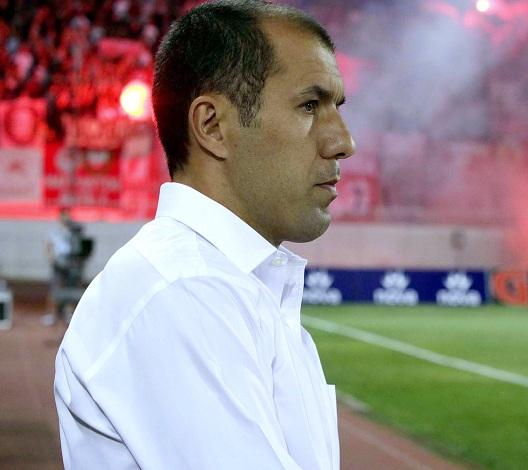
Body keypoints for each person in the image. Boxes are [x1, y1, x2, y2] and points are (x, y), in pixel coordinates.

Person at [54, 1, 355, 469]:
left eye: (337, 107)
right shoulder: (184, 290)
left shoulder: (223, 286)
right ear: (212, 126)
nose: (343, 142)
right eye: (310, 106)